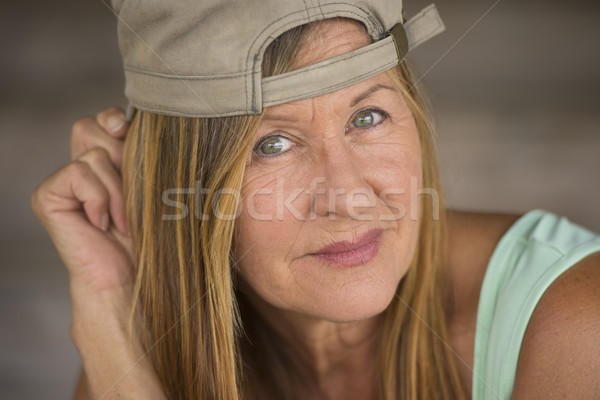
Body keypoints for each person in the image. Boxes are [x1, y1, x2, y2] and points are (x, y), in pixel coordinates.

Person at [30, 1, 600, 399]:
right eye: (273, 144)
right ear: (186, 183)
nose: (348, 197)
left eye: (367, 116)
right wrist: (105, 308)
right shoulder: (149, 345)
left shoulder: (575, 328)